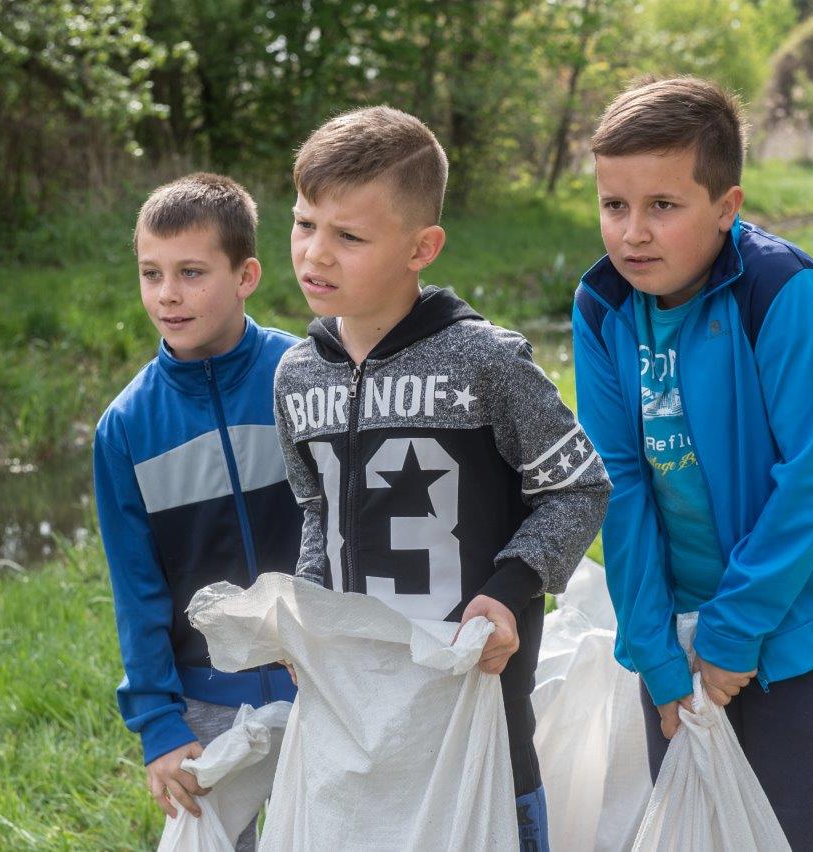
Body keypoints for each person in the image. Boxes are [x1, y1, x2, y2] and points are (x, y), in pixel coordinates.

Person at [273, 106, 610, 851]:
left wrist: (510, 590)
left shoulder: (485, 361)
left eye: (348, 236)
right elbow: (314, 509)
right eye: (304, 224)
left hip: (474, 699)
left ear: (421, 247)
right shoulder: (295, 375)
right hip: (358, 707)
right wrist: (309, 615)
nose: (315, 254)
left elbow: (580, 485)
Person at [571, 76, 813, 850]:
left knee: (800, 833)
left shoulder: (784, 294)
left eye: (664, 206)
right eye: (615, 205)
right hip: (681, 630)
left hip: (809, 623)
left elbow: (811, 478)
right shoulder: (603, 306)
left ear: (727, 205)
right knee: (693, 829)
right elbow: (621, 486)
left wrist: (734, 634)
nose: (633, 233)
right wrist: (657, 655)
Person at [93, 172, 302, 850]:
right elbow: (137, 589)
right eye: (151, 273)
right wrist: (160, 723)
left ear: (246, 275)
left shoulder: (302, 376)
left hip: (320, 678)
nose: (167, 295)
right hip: (206, 700)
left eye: (190, 272)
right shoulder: (125, 428)